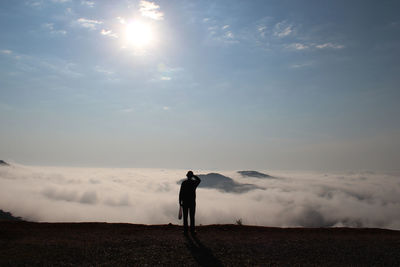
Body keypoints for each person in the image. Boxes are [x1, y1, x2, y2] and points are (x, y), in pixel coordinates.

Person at [179, 171, 201, 235]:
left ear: (187, 176)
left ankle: (185, 231)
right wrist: (194, 176)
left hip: (185, 202)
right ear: (191, 176)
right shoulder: (194, 183)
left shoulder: (184, 183)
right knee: (192, 217)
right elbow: (199, 180)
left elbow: (181, 193)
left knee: (185, 217)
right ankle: (192, 230)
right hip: (192, 202)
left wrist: (180, 201)